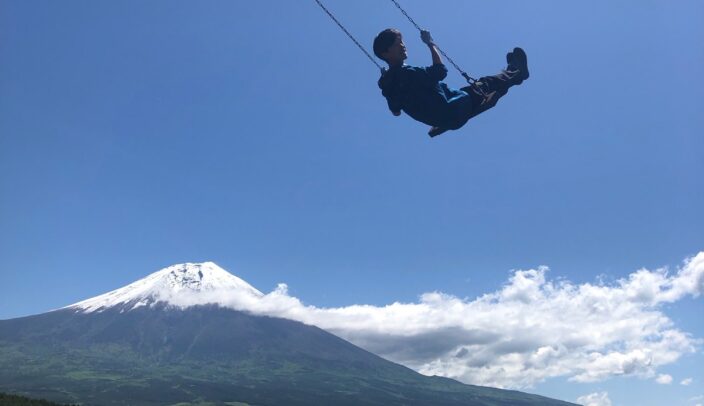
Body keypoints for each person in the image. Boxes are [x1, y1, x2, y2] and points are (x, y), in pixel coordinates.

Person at [373, 28, 529, 137]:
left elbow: (396, 112)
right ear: (385, 53)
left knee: (472, 89)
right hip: (455, 108)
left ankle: (512, 72)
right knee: (486, 85)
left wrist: (390, 77)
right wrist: (430, 43)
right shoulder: (408, 73)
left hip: (443, 118)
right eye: (397, 44)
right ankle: (517, 71)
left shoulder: (389, 87)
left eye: (402, 42)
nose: (403, 45)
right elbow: (440, 71)